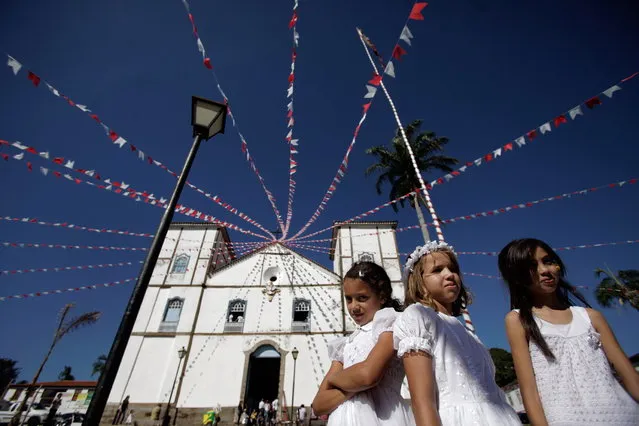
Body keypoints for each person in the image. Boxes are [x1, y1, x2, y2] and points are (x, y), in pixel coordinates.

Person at [500, 238, 639, 425]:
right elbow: (529, 391)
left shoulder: (591, 316)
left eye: (548, 261)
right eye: (532, 266)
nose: (545, 270)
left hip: (623, 416)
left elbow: (629, 376)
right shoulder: (518, 321)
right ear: (517, 276)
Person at [394, 241, 520, 425]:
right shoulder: (417, 317)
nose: (449, 274)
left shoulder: (469, 333)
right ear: (419, 282)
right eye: (437, 270)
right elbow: (422, 401)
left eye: (452, 269)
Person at [312, 261, 413, 425]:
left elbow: (367, 375)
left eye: (362, 298)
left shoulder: (389, 325)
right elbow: (318, 405)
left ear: (382, 296)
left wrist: (333, 381)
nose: (354, 306)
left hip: (383, 416)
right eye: (349, 299)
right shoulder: (345, 344)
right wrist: (352, 385)